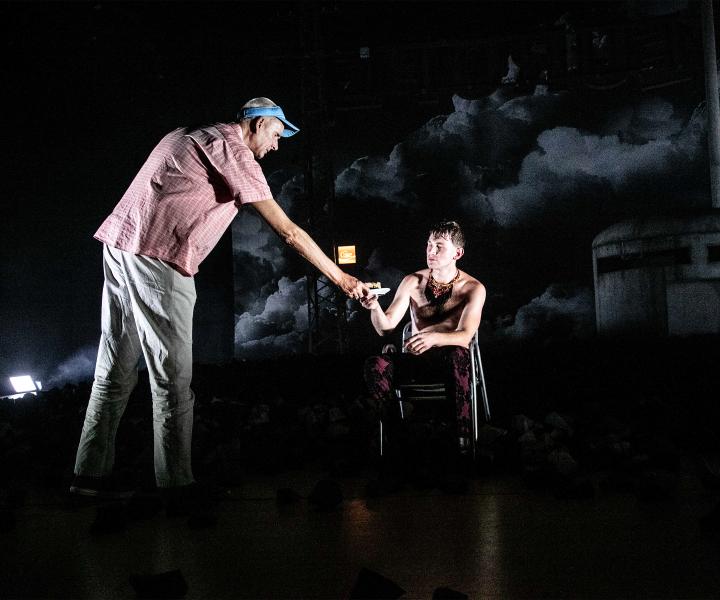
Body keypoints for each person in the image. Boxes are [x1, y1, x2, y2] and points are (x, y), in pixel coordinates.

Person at [70, 97, 370, 500]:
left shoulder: (186, 133)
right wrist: (342, 280)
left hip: (119, 246)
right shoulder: (236, 152)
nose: (277, 146)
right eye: (277, 134)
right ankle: (176, 486)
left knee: (113, 371)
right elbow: (288, 232)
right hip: (159, 259)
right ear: (258, 123)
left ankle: (88, 478)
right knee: (172, 380)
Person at [359, 221, 486, 455]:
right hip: (415, 360)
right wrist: (374, 307)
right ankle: (395, 439)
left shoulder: (473, 288)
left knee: (459, 356)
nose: (431, 251)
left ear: (457, 253)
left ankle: (462, 444)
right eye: (429, 245)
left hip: (448, 363)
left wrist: (434, 338)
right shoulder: (412, 281)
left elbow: (466, 336)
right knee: (375, 365)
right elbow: (385, 328)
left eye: (439, 246)